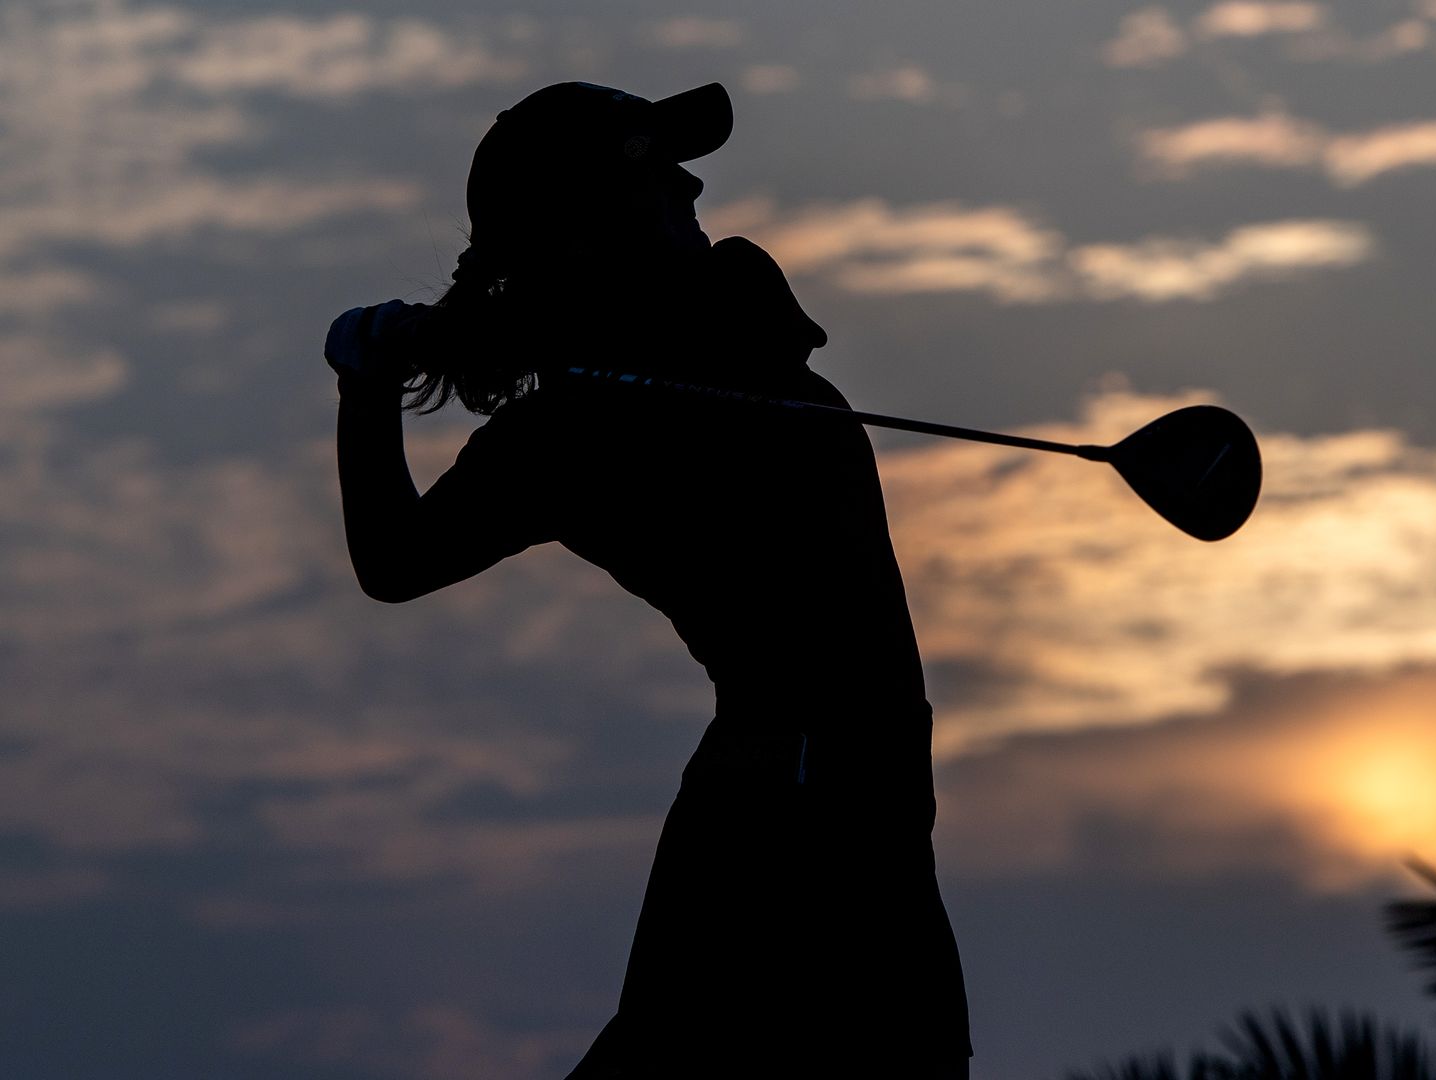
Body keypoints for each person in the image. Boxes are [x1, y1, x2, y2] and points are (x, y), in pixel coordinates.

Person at [324, 81, 971, 1078]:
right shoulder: (586, 421)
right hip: (796, 820)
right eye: (664, 183)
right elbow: (396, 563)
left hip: (823, 809)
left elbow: (393, 559)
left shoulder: (619, 396)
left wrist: (383, 380)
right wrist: (378, 387)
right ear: (602, 224)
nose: (691, 192)